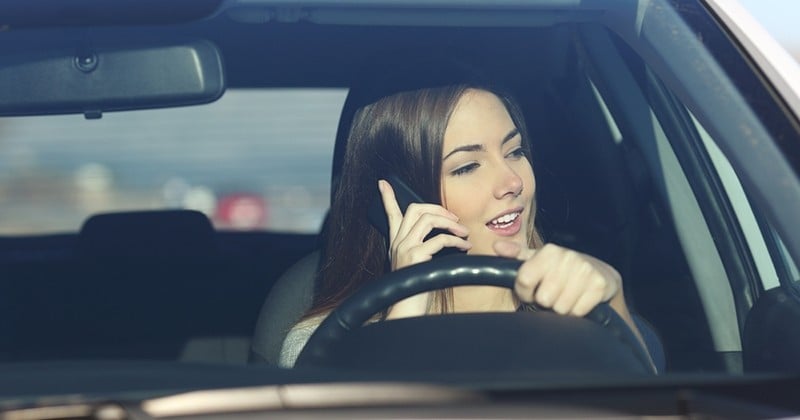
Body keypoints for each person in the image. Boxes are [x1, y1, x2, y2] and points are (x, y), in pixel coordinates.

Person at [278, 80, 650, 369]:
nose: (513, 182)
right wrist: (405, 307)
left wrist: (612, 300)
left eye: (515, 152)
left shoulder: (574, 314)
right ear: (401, 198)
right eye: (467, 167)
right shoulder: (326, 342)